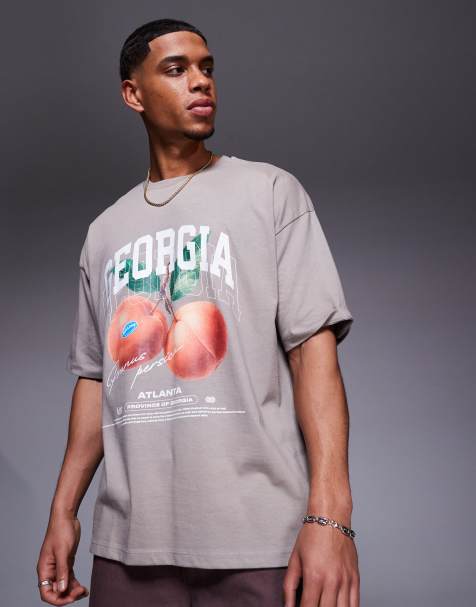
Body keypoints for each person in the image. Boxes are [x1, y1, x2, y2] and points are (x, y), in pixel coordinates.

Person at [36, 17, 360, 607]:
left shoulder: (269, 192)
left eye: (206, 68)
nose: (201, 81)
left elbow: (313, 355)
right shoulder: (104, 232)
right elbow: (96, 377)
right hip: (127, 546)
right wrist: (63, 511)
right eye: (176, 69)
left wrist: (331, 517)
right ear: (133, 93)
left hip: (260, 542)